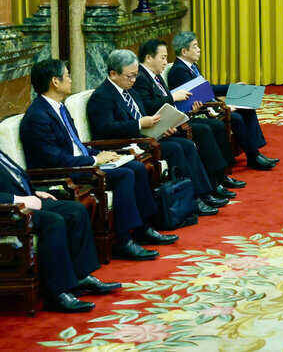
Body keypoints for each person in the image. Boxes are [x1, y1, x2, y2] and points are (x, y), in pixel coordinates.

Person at [20, 59, 178, 261]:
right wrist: (93, 161)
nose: (71, 79)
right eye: (67, 75)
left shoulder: (59, 107)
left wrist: (100, 155)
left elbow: (75, 143)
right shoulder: (38, 116)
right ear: (55, 82)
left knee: (135, 167)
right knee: (124, 174)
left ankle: (143, 228)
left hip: (81, 162)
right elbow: (53, 159)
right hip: (63, 173)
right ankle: (123, 241)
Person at [86, 49, 226, 217]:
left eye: (135, 75)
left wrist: (161, 126)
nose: (133, 80)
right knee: (176, 148)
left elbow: (144, 114)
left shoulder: (130, 90)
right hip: (126, 143)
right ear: (113, 73)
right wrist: (139, 124)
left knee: (186, 145)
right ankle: (191, 200)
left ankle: (203, 194)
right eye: (129, 76)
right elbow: (106, 129)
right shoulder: (102, 96)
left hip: (146, 137)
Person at [0, 148, 120, 312]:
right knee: (53, 221)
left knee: (75, 210)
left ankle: (81, 277)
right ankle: (56, 293)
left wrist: (34, 192)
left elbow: (14, 179)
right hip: (8, 213)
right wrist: (20, 199)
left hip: (23, 205)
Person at [134, 39, 245, 197]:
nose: (166, 62)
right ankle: (213, 184)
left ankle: (221, 176)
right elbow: (148, 106)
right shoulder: (141, 78)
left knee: (216, 126)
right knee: (204, 130)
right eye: (163, 58)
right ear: (149, 58)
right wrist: (173, 97)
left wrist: (190, 108)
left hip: (174, 119)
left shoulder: (155, 76)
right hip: (160, 127)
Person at [167, 32, 278, 171]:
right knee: (236, 117)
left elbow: (206, 89)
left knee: (247, 106)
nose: (199, 49)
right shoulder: (179, 71)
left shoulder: (191, 67)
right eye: (195, 46)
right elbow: (200, 94)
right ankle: (253, 156)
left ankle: (255, 153)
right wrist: (228, 94)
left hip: (210, 103)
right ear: (184, 51)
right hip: (199, 110)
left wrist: (231, 91)